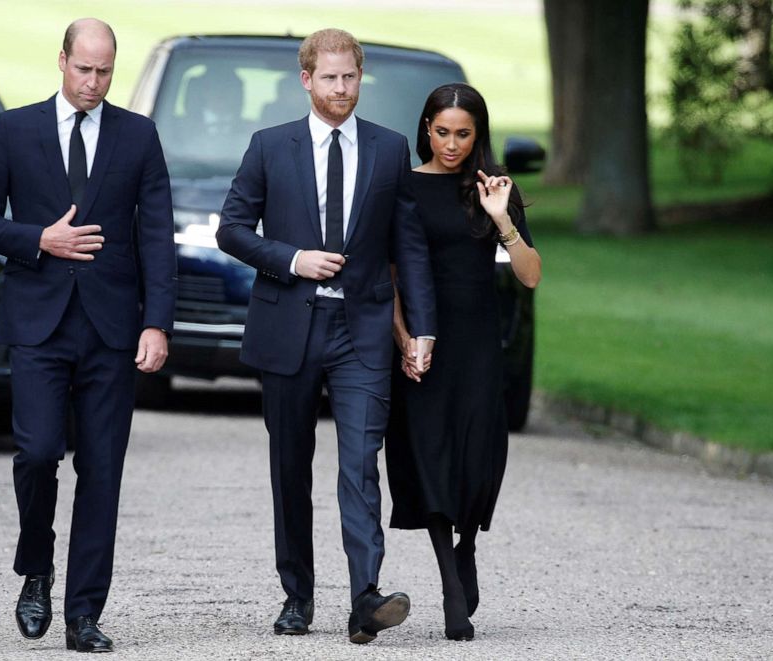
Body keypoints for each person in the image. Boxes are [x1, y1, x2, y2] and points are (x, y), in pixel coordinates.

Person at [0, 18, 176, 653]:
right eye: (84, 69)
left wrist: (157, 321)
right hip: (38, 325)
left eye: (105, 71)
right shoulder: (16, 129)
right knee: (35, 453)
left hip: (112, 329)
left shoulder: (138, 135)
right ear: (62, 62)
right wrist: (37, 240)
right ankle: (36, 568)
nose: (94, 82)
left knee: (102, 470)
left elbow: (157, 235)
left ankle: (83, 613)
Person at [216, 28, 437, 644]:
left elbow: (408, 249)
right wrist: (292, 259)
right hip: (289, 321)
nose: (342, 88)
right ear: (307, 79)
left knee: (360, 461)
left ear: (360, 79)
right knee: (290, 465)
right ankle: (297, 596)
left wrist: (421, 329)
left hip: (362, 328)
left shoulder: (390, 150)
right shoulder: (269, 146)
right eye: (330, 78)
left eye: (351, 78)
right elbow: (231, 230)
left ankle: (366, 596)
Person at [385, 82, 542, 641]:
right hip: (424, 340)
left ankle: (468, 542)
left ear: (479, 134)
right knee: (428, 453)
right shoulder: (402, 186)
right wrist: (404, 337)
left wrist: (502, 218)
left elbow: (530, 275)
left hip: (477, 342)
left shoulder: (494, 188)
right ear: (426, 127)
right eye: (442, 131)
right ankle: (452, 584)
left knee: (477, 457)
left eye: (464, 134)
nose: (451, 144)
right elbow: (394, 275)